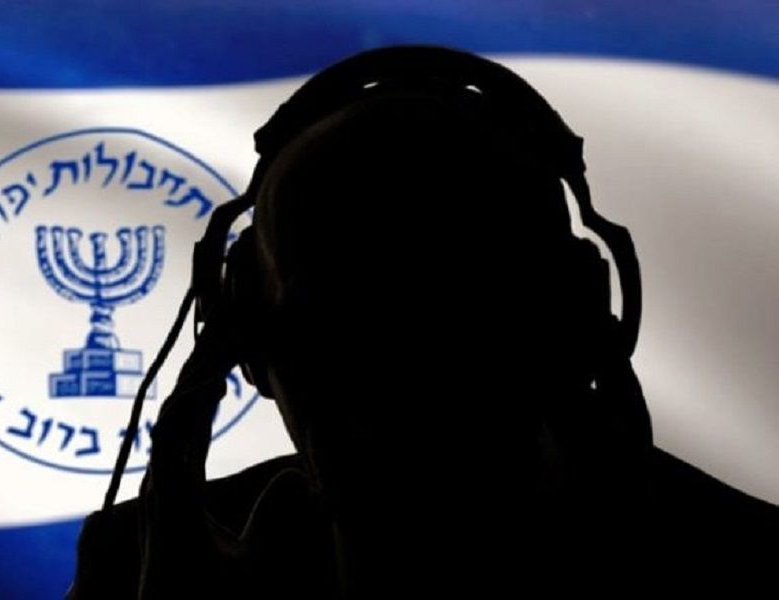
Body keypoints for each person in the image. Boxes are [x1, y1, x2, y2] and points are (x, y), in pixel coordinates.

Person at [69, 46, 779, 598]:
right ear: (249, 340)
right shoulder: (133, 563)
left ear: (573, 320)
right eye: (346, 326)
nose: (406, 379)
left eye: (458, 315)